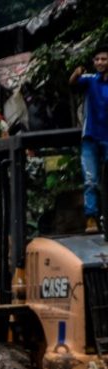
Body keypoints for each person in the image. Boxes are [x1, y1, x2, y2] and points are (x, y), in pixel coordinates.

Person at [71, 45, 108, 237]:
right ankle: (91, 217)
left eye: (104, 59)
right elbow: (72, 84)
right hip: (91, 136)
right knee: (91, 180)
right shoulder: (90, 80)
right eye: (97, 59)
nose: (100, 62)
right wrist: (76, 73)